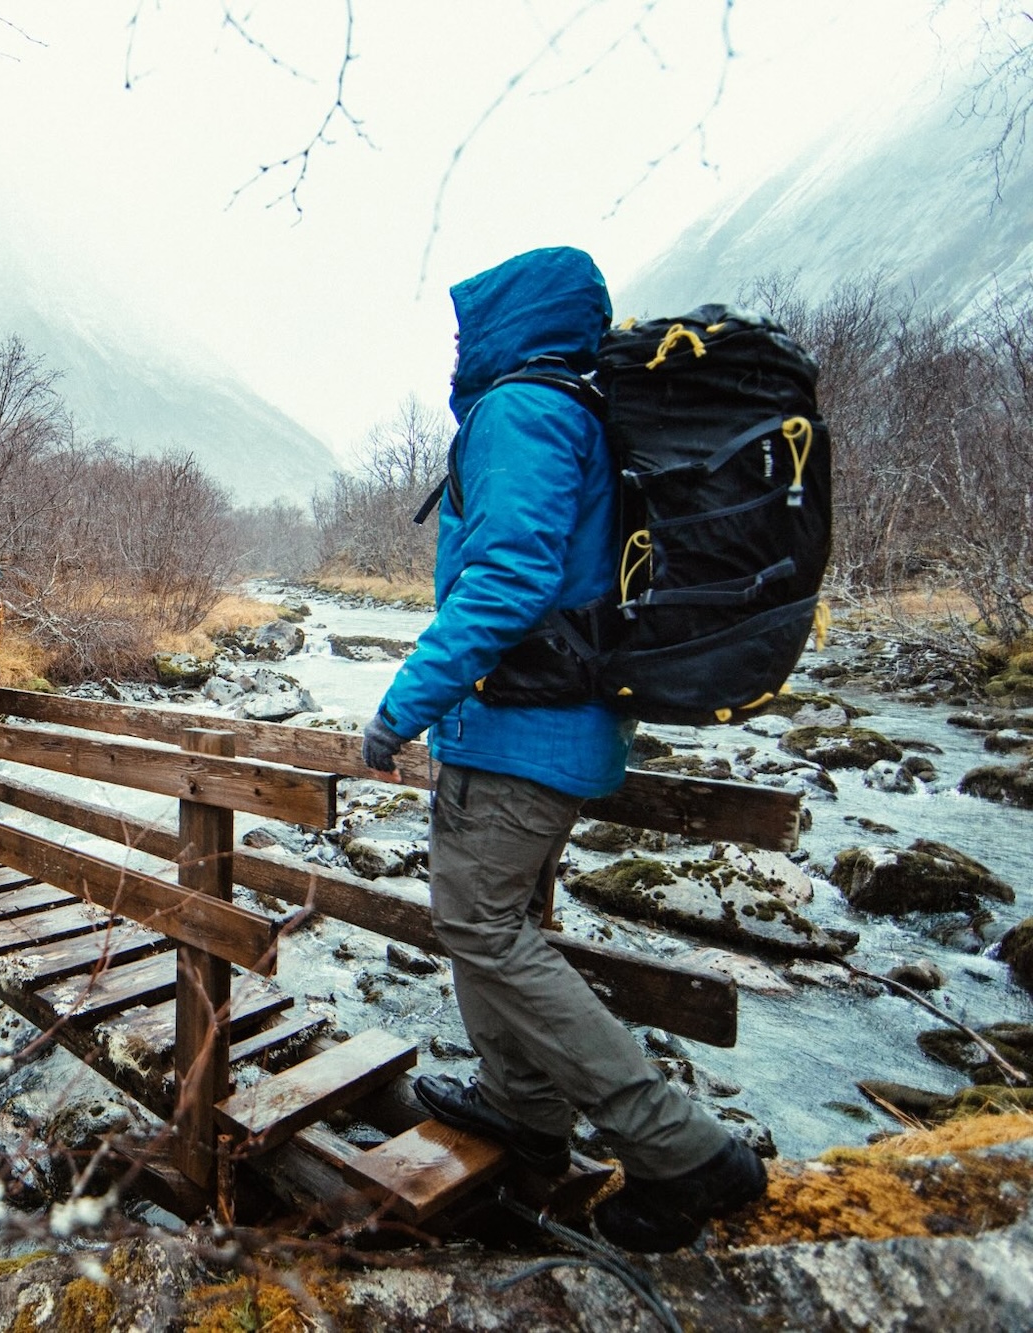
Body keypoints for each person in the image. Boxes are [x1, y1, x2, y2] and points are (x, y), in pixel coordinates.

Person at [356, 247, 766, 1252]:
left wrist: (399, 708)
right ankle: (519, 1107)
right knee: (487, 923)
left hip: (514, 733)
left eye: (468, 327)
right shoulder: (573, 404)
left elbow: (503, 581)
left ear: (507, 321)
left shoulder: (519, 410)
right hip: (555, 727)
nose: (459, 344)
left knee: (483, 926)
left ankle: (683, 1151)